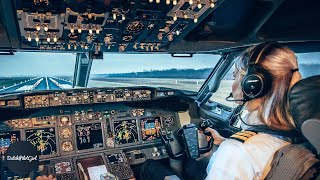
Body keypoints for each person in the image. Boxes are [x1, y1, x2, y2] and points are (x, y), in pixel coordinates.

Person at [138, 42, 303, 180]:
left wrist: (229, 148)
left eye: (235, 76)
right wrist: (223, 144)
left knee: (150, 167)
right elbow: (264, 152)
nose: (233, 84)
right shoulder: (300, 135)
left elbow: (244, 155)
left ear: (251, 85)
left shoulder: (237, 151)